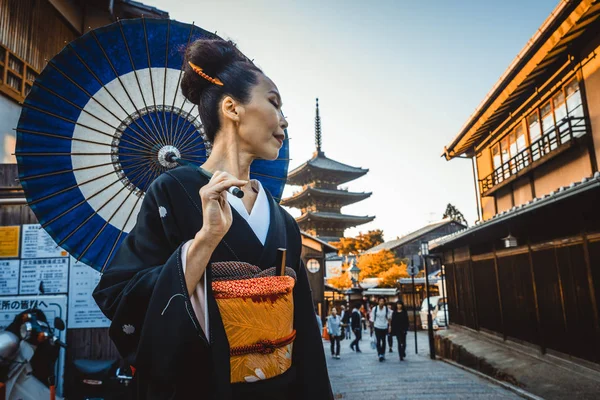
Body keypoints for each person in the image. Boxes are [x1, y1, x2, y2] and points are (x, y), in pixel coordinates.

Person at [93, 38, 333, 400]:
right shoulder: (174, 190)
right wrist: (204, 241)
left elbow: (305, 336)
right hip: (205, 386)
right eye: (273, 102)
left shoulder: (282, 220)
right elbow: (120, 297)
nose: (283, 120)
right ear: (232, 108)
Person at [370, 297, 391, 361]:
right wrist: (372, 328)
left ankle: (383, 353)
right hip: (377, 326)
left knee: (384, 340)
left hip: (384, 326)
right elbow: (372, 319)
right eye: (380, 301)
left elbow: (389, 318)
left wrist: (390, 326)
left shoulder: (386, 309)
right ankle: (380, 354)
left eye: (382, 301)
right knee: (378, 341)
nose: (381, 302)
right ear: (378, 302)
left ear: (384, 302)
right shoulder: (375, 309)